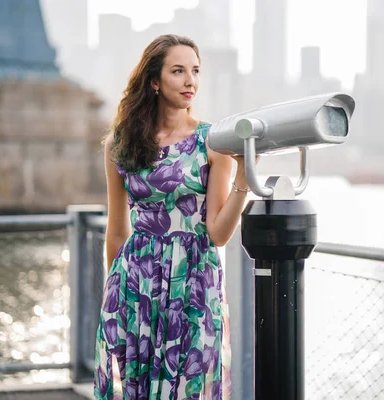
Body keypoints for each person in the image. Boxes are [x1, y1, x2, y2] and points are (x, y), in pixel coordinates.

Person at [94, 34, 253, 399]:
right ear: (154, 80)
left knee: (193, 385)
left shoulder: (213, 141)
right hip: (136, 283)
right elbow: (117, 230)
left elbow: (218, 233)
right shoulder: (120, 143)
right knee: (138, 387)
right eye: (178, 71)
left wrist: (243, 181)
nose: (190, 81)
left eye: (195, 71)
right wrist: (112, 298)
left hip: (194, 280)